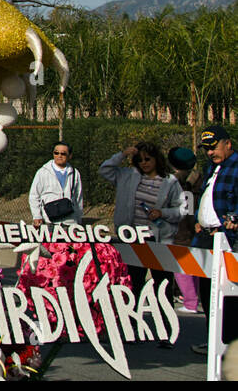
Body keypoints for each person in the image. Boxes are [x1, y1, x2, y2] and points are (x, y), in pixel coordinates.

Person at [100, 141, 182, 294]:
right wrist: (122, 154)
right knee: (133, 282)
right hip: (132, 236)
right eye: (139, 160)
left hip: (157, 238)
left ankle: (165, 316)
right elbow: (105, 169)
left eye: (147, 159)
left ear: (156, 159)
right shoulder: (127, 175)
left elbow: (181, 209)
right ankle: (132, 317)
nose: (143, 163)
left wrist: (162, 213)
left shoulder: (170, 181)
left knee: (163, 283)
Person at [192, 127, 238, 353]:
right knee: (208, 293)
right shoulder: (211, 168)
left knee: (229, 294)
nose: (210, 153)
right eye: (207, 149)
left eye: (214, 147)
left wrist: (235, 217)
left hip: (228, 239)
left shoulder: (237, 167)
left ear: (228, 144)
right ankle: (214, 342)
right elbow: (205, 196)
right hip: (206, 237)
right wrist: (198, 219)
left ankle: (230, 345)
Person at [168, 146, 203, 313]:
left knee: (180, 268)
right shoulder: (198, 180)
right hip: (193, 228)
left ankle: (190, 302)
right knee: (193, 267)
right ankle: (193, 299)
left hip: (179, 231)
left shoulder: (175, 183)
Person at [29, 142, 85, 226]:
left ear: (70, 156)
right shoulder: (43, 172)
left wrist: (79, 218)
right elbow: (34, 196)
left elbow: (78, 198)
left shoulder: (74, 173)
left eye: (63, 153)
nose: (59, 156)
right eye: (56, 153)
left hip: (70, 221)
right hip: (49, 220)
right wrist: (37, 216)